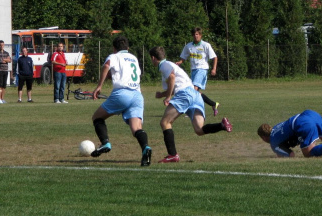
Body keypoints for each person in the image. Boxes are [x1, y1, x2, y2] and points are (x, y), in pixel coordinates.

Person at [150, 46, 232, 163]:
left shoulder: (164, 65)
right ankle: (222, 125)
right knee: (199, 130)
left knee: (165, 122)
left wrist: (167, 97)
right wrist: (163, 94)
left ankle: (172, 154)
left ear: (153, 58)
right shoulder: (170, 65)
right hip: (195, 95)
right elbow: (174, 87)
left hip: (185, 95)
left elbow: (172, 78)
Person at [90, 35, 152, 166]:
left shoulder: (114, 56)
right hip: (137, 95)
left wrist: (99, 86)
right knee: (136, 128)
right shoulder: (134, 58)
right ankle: (145, 148)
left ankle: (105, 142)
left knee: (97, 117)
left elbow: (107, 65)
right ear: (127, 48)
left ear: (114, 48)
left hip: (122, 93)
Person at [257, 110, 322, 158]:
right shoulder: (276, 127)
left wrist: (281, 156)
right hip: (310, 114)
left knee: (307, 153)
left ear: (264, 137)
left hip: (302, 123)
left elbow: (291, 155)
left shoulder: (273, 143)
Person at [176, 27, 220, 116]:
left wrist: (214, 68)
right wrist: (179, 62)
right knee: (195, 92)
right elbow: (183, 57)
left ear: (200, 35)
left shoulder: (205, 45)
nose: (196, 36)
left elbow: (214, 57)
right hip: (194, 70)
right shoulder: (188, 46)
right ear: (192, 35)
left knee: (193, 90)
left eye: (197, 34)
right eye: (194, 34)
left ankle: (189, 110)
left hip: (202, 69)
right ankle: (213, 104)